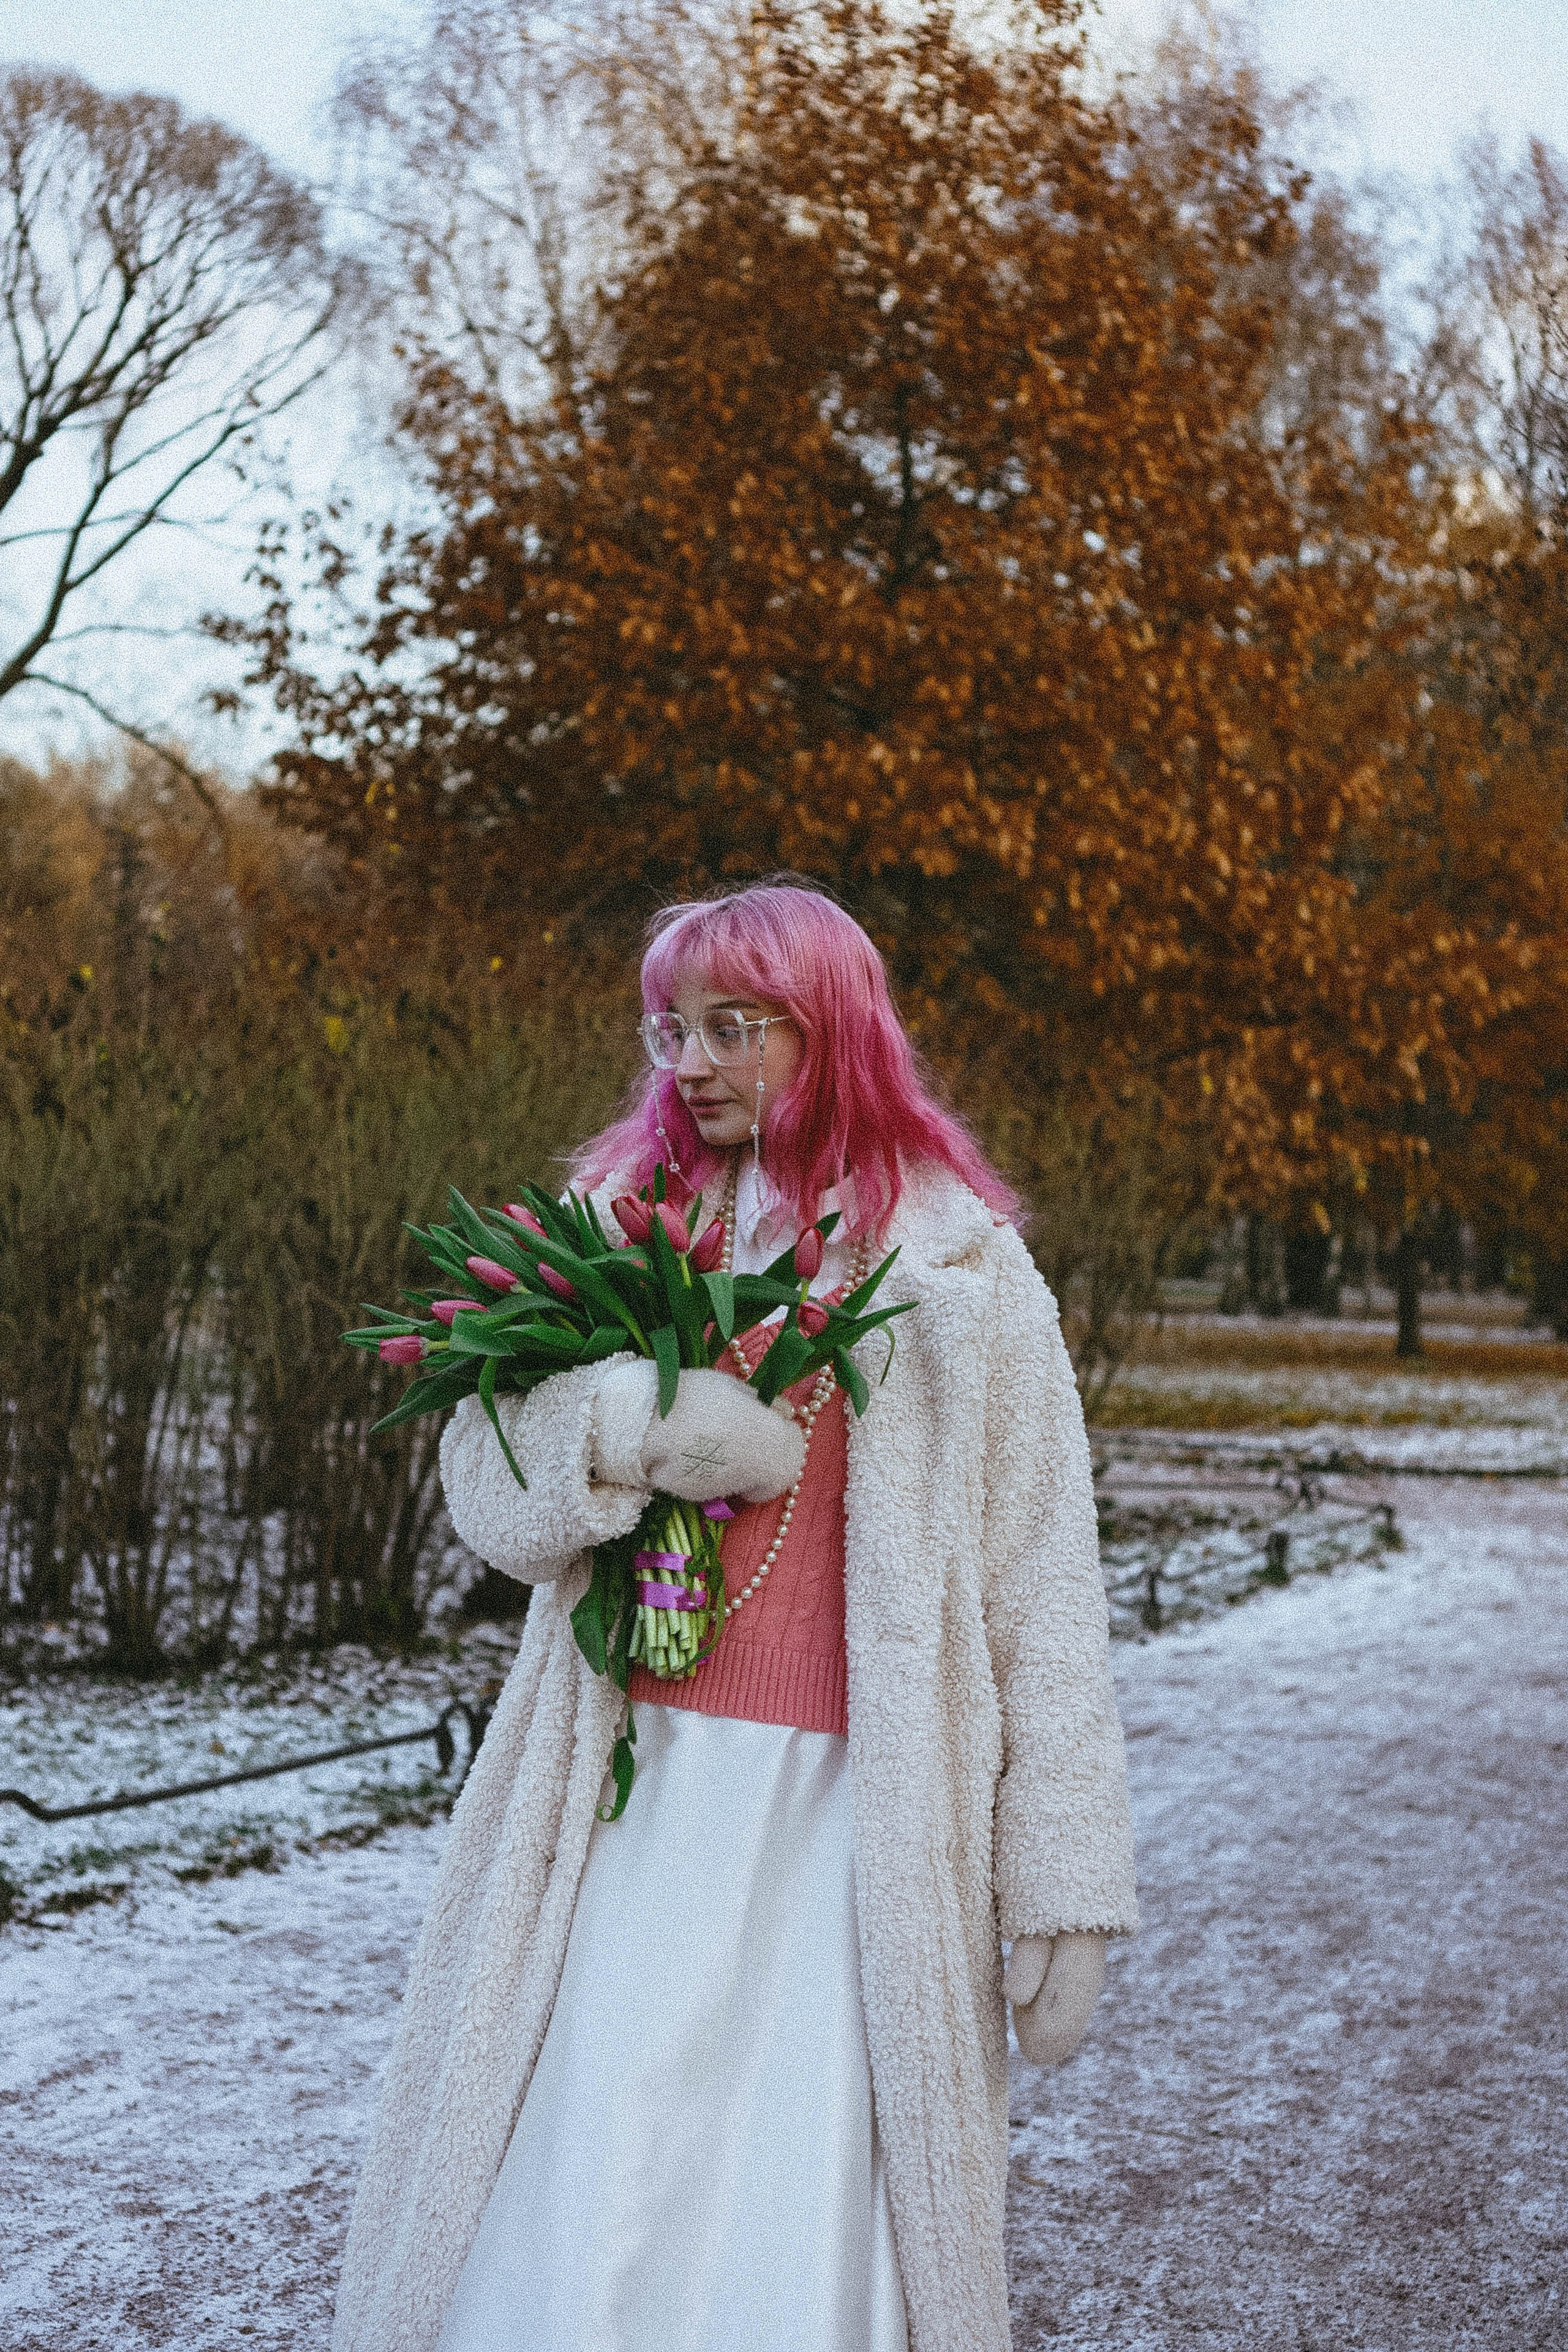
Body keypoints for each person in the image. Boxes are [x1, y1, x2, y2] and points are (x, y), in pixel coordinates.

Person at [331, 881, 1137, 2352]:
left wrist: (1063, 1880)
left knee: (801, 2146)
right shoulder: (608, 1228)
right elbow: (484, 1482)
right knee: (600, 2113)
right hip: (634, 1782)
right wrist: (633, 1423)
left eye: (730, 1027)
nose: (687, 1061)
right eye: (671, 1028)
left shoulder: (967, 1279)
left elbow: (1041, 1581)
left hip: (865, 1807)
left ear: (827, 1030)